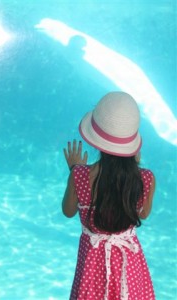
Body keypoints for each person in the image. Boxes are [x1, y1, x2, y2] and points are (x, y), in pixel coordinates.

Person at [62, 91, 156, 300]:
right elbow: (144, 213)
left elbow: (68, 211)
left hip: (92, 267)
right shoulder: (146, 179)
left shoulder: (80, 176)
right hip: (129, 265)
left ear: (96, 141)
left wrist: (74, 171)